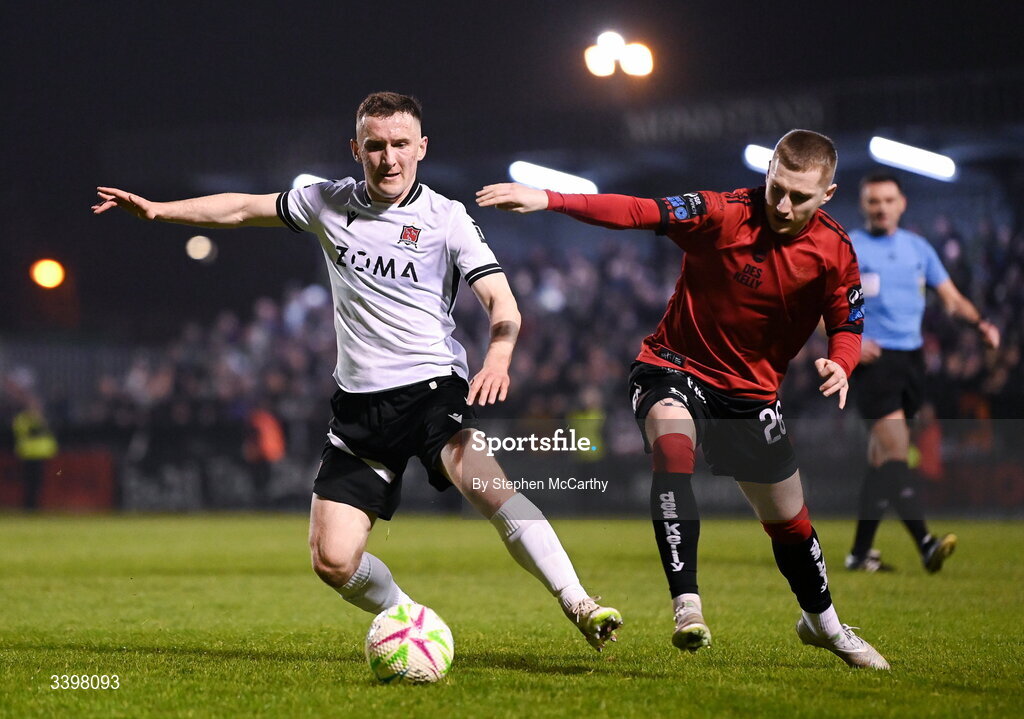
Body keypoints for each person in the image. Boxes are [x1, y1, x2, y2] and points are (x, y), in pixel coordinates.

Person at [93, 91, 621, 651]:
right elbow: (242, 208)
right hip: (359, 408)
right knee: (332, 560)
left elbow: (502, 302)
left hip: (431, 389)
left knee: (488, 486)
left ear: (421, 147)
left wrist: (497, 357)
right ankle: (412, 621)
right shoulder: (325, 202)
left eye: (399, 145)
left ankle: (579, 603)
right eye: (375, 146)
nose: (388, 158)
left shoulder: (446, 219)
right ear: (356, 149)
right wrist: (158, 210)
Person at [477, 129, 889, 669]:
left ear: (828, 195)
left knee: (790, 523)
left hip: (751, 395)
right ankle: (686, 604)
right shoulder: (720, 213)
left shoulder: (835, 250)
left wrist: (842, 360)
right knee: (673, 449)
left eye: (800, 196)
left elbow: (847, 321)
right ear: (768, 173)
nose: (783, 205)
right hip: (673, 364)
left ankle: (825, 626)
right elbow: (636, 211)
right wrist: (552, 199)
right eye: (777, 188)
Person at [845, 172, 999, 573]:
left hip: (912, 362)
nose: (880, 207)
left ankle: (860, 554)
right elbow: (821, 306)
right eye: (873, 201)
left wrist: (981, 324)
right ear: (864, 205)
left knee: (881, 462)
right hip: (873, 364)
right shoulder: (850, 248)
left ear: (902, 204)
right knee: (896, 453)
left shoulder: (918, 248)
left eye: (887, 200)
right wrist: (850, 343)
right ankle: (926, 542)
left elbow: (950, 299)